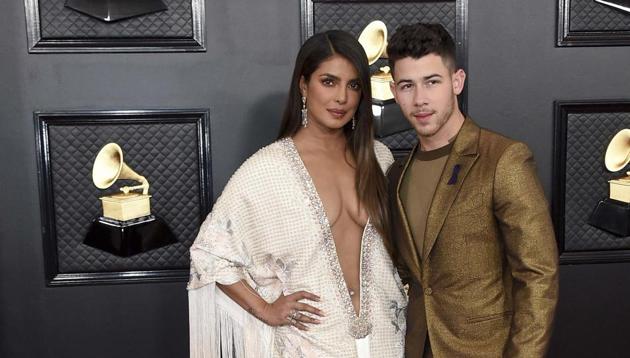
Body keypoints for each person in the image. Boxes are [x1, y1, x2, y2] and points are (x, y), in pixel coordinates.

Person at [188, 30, 407, 358]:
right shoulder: (268, 168)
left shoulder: (379, 157)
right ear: (304, 86)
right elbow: (210, 253)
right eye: (329, 82)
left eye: (353, 85)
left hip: (386, 339)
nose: (341, 98)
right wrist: (265, 309)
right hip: (312, 343)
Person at [384, 23, 559, 357]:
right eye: (407, 86)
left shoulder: (503, 159)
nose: (420, 99)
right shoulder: (397, 175)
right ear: (394, 91)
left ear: (457, 82)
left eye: (432, 82)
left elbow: (538, 276)